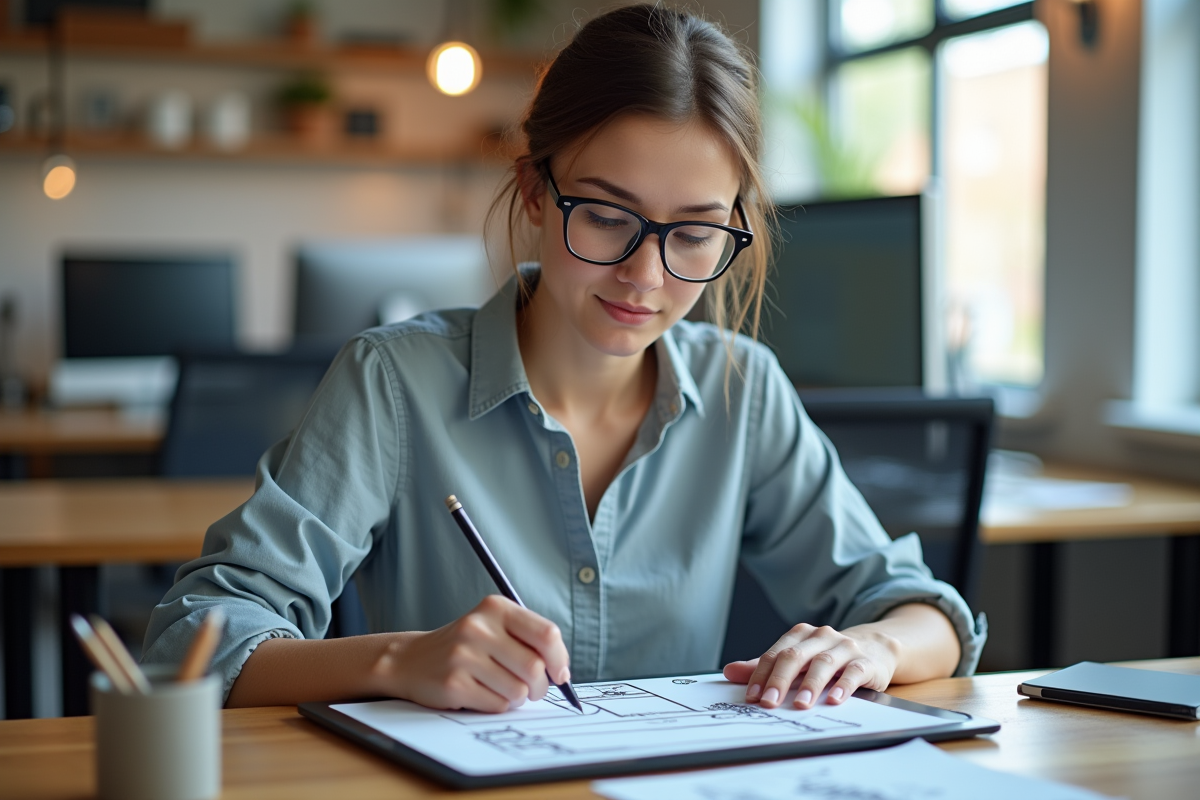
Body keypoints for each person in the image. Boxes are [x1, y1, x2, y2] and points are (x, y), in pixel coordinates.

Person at [143, 4, 985, 714]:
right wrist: (399, 663)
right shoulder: (394, 382)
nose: (645, 276)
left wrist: (871, 645)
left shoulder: (743, 390)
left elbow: (931, 616)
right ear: (538, 190)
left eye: (693, 232)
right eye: (609, 216)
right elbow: (197, 636)